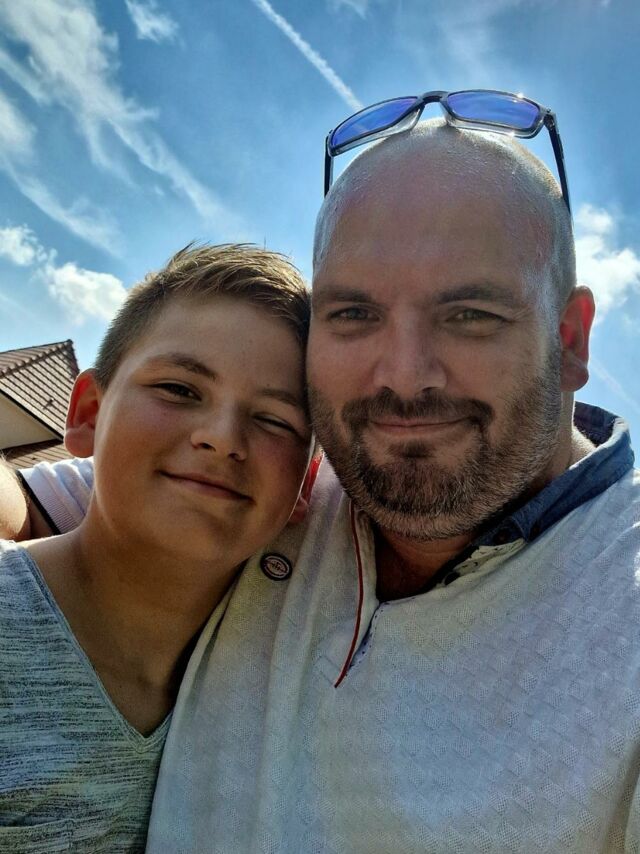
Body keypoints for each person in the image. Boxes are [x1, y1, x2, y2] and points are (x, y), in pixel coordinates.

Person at [2, 111, 640, 853]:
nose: (404, 377)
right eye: (354, 313)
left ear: (569, 340)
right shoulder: (287, 485)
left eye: (470, 313)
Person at [0, 243, 314, 852]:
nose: (222, 438)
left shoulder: (275, 684)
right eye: (178, 388)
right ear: (88, 415)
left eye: (276, 420)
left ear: (305, 484)